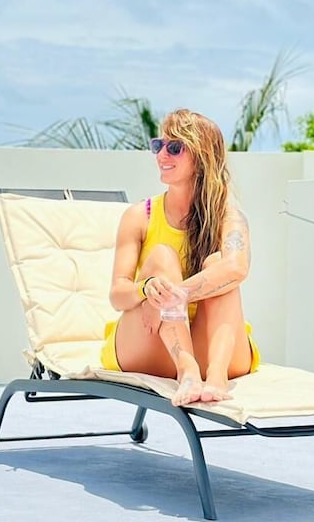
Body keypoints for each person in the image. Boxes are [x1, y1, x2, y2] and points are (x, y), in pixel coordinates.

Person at [101, 109, 260, 406]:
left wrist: (175, 296)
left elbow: (237, 268)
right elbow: (117, 295)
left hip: (218, 353)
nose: (162, 154)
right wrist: (147, 290)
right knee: (162, 258)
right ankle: (187, 372)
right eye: (158, 145)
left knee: (220, 266)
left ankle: (216, 378)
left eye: (174, 147)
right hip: (152, 343)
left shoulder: (228, 217)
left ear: (202, 157)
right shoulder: (140, 216)